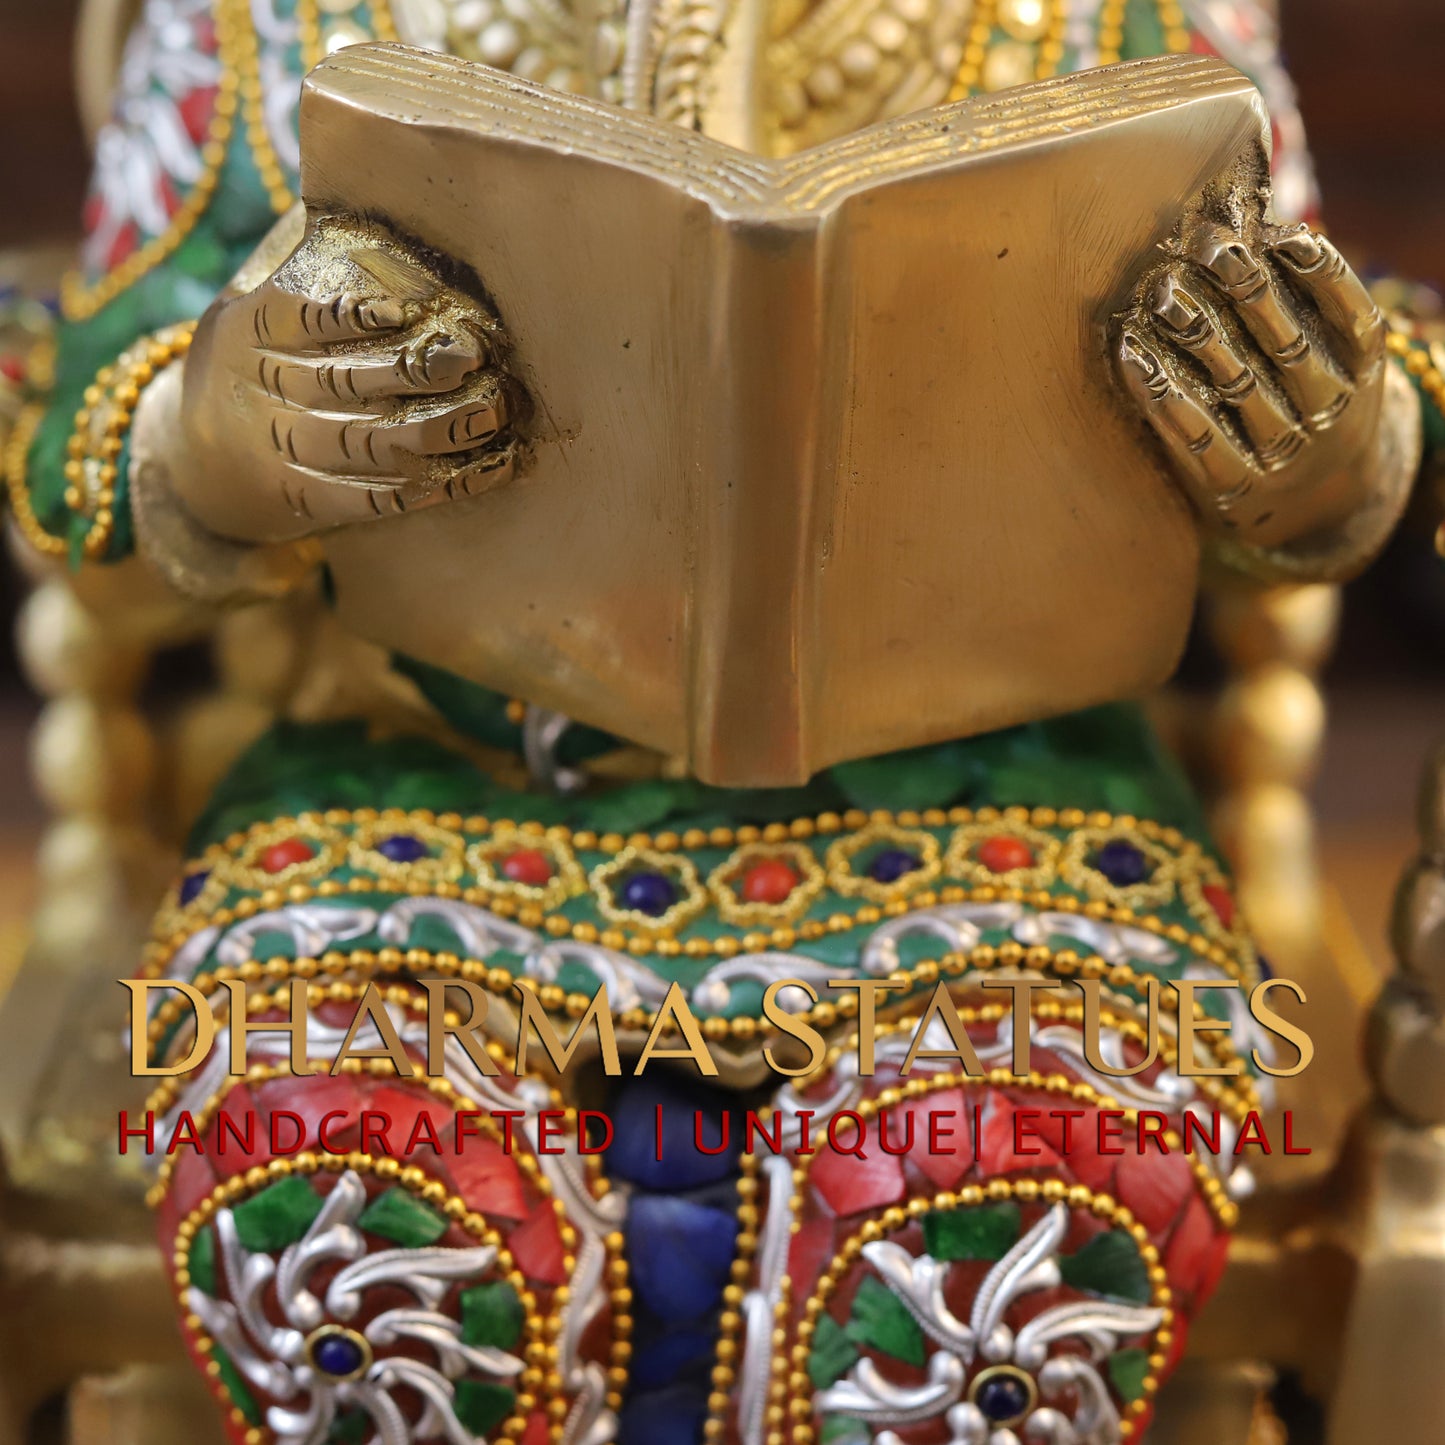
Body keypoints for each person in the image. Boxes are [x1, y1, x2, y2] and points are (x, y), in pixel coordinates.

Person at [5, 2, 1442, 1442]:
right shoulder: (272, 20)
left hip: (994, 806)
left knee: (1015, 1211)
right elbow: (82, 405)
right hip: (423, 785)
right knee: (345, 1207)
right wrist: (216, 439)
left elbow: (1324, 355)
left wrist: (1316, 448)